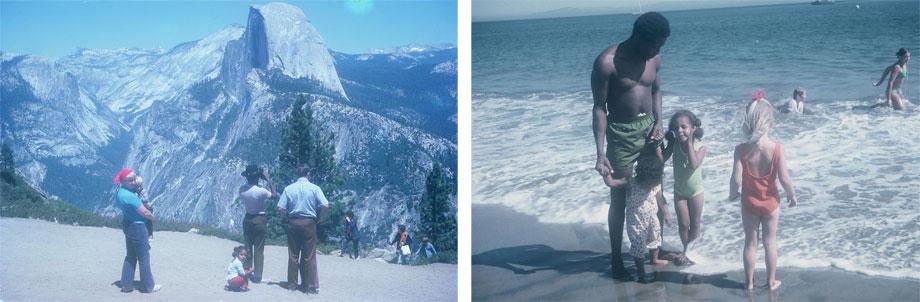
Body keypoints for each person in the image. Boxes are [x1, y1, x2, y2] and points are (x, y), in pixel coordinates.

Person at [591, 11, 670, 278]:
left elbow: (656, 91)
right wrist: (600, 152)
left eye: (660, 46)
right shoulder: (607, 63)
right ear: (638, 37)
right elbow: (599, 109)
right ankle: (616, 260)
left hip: (650, 130)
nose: (657, 51)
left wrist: (659, 122)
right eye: (654, 45)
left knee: (655, 190)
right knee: (621, 198)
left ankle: (654, 251)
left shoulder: (654, 59)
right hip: (621, 133)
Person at [729, 95, 797, 291]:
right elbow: (784, 178)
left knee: (750, 243)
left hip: (749, 204)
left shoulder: (741, 150)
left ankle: (749, 283)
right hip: (770, 205)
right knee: (770, 242)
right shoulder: (776, 149)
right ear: (770, 122)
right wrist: (791, 195)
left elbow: (736, 179)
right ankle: (771, 281)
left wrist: (733, 194)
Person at [609, 139, 668, 282]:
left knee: (655, 238)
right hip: (636, 222)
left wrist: (666, 213)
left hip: (652, 218)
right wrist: (606, 174)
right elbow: (612, 183)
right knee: (638, 246)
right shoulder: (631, 183)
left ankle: (654, 259)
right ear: (641, 176)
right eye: (648, 183)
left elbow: (661, 199)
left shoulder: (655, 183)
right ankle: (641, 271)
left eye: (653, 183)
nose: (651, 186)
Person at [277, 164, 329, 294]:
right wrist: (320, 219)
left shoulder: (289, 188)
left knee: (293, 255)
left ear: (297, 174)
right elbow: (325, 205)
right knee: (309, 256)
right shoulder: (315, 188)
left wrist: (288, 216)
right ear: (308, 174)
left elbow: (280, 208)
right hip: (309, 223)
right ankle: (309, 286)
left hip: (293, 222)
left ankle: (292, 285)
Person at [665, 109, 706, 266]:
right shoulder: (674, 144)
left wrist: (689, 143)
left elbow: (694, 164)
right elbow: (662, 158)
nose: (680, 130)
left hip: (696, 192)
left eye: (684, 127)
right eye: (676, 128)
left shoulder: (701, 147)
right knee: (683, 224)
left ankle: (692, 252)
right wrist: (663, 141)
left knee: (695, 223)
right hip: (679, 191)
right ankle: (685, 249)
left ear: (693, 128)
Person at [113, 168, 161, 293]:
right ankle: (148, 286)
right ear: (123, 181)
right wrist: (153, 217)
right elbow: (144, 212)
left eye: (135, 178)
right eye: (131, 180)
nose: (134, 181)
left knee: (131, 256)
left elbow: (135, 185)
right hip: (138, 227)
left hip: (128, 224)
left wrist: (135, 184)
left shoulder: (120, 191)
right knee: (144, 257)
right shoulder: (130, 197)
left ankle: (127, 284)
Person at [237, 164, 277, 283]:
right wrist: (269, 180)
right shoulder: (261, 191)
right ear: (257, 177)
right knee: (259, 249)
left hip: (247, 218)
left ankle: (247, 271)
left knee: (248, 247)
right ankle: (258, 275)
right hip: (260, 219)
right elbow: (274, 196)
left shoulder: (242, 190)